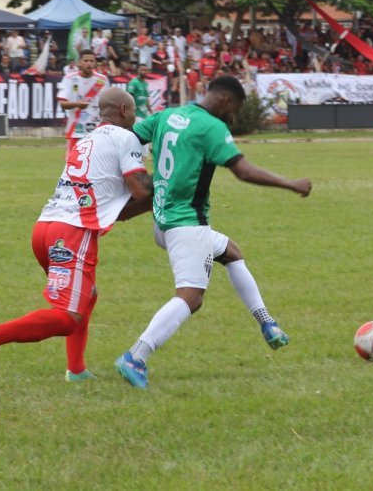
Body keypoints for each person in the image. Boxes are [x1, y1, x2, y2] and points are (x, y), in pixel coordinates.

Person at [114, 76, 312, 390]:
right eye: (235, 110)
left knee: (231, 252)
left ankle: (267, 323)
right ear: (224, 101)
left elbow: (125, 138)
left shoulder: (168, 115)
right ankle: (136, 355)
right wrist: (292, 184)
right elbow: (244, 171)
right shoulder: (212, 128)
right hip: (187, 225)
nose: (233, 118)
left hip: (163, 221)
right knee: (191, 299)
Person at [0, 88, 152, 386]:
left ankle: (76, 370)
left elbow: (114, 201)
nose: (135, 118)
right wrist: (171, 181)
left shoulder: (85, 139)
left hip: (44, 228)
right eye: (133, 111)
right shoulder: (125, 137)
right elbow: (142, 191)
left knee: (87, 296)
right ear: (122, 110)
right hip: (72, 234)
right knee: (67, 317)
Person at [57, 49, 110, 158]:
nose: (89, 63)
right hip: (76, 130)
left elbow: (108, 104)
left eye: (91, 60)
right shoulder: (69, 79)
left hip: (96, 132)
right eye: (85, 60)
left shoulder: (102, 80)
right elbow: (62, 104)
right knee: (72, 168)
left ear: (95, 63)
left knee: (96, 166)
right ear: (79, 63)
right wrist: (77, 104)